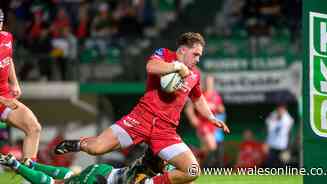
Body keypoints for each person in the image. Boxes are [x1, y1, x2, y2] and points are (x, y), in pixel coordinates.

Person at [55, 32, 230, 184]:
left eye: (200, 56)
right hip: (140, 119)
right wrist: (176, 67)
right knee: (96, 149)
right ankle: (77, 143)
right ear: (183, 50)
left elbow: (198, 99)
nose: (198, 59)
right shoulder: (164, 54)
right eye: (196, 54)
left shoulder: (195, 75)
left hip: (165, 132)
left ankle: (148, 182)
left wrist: (211, 118)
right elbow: (151, 67)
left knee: (193, 171)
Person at [0, 9, 42, 166]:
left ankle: (27, 175)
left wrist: (14, 83)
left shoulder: (6, 37)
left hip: (4, 98)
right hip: (2, 99)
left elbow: (8, 59)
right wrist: (3, 100)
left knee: (34, 128)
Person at [0, 148, 165, 184]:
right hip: (98, 180)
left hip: (103, 170)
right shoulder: (147, 181)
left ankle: (32, 165)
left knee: (68, 178)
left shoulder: (143, 168)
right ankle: (15, 164)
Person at [185, 75, 226, 167]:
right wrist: (192, 118)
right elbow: (189, 107)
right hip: (203, 124)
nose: (209, 84)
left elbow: (221, 108)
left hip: (212, 125)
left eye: (210, 82)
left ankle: (196, 155)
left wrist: (218, 108)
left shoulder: (215, 96)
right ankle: (207, 165)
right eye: (207, 81)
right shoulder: (201, 94)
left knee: (205, 148)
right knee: (212, 146)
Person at [264, 104, 294, 168]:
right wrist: (266, 143)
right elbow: (268, 131)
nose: (280, 111)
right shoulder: (272, 116)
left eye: (282, 109)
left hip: (283, 145)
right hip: (272, 145)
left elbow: (289, 133)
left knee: (282, 165)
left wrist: (289, 147)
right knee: (270, 164)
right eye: (279, 109)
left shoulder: (288, 119)